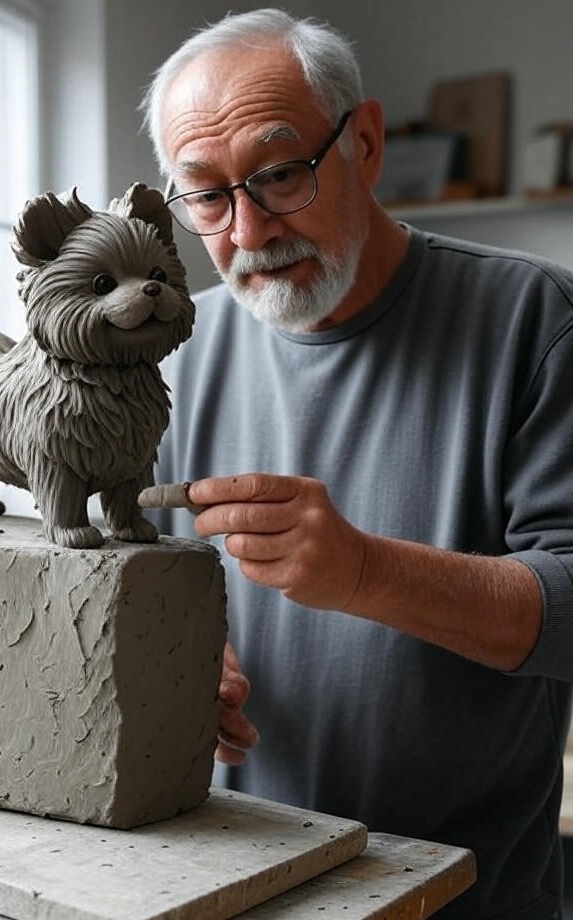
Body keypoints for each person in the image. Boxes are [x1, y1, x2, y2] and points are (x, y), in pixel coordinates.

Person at [140, 8, 573, 919]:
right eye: (208, 197)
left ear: (365, 144)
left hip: (466, 896)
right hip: (229, 881)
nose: (249, 233)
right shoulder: (172, 350)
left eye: (281, 173)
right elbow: (128, 562)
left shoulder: (537, 320)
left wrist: (365, 571)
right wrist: (172, 660)